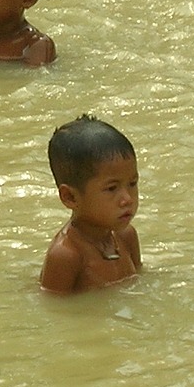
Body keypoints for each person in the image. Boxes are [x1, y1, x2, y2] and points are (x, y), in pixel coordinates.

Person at [40, 115, 141, 293]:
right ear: (70, 197)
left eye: (132, 184)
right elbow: (54, 311)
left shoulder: (126, 236)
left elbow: (140, 283)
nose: (128, 199)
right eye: (112, 188)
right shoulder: (66, 255)